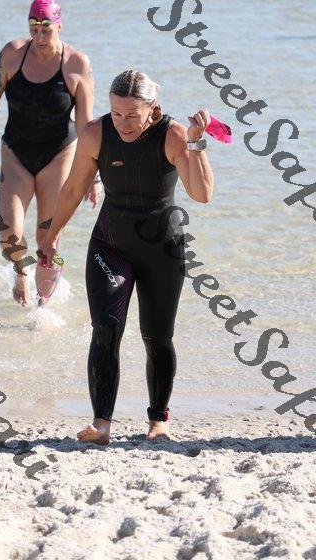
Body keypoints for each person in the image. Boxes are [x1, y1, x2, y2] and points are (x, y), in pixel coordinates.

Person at [41, 69, 214, 443]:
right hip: (110, 245)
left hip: (162, 250)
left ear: (151, 108)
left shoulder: (173, 135)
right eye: (117, 113)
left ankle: (158, 421)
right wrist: (52, 235)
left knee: (157, 337)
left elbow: (202, 194)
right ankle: (101, 424)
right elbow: (73, 189)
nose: (123, 123)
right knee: (105, 329)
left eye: (132, 115)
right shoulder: (96, 134)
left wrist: (196, 143)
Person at [0, 0, 101, 306]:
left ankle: (43, 307)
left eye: (47, 29)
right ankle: (21, 273)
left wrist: (92, 176)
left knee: (48, 241)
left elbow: (86, 126)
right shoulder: (12, 55)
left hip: (58, 156)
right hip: (16, 153)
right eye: (34, 29)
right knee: (9, 236)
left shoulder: (76, 64)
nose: (40, 37)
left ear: (60, 25)